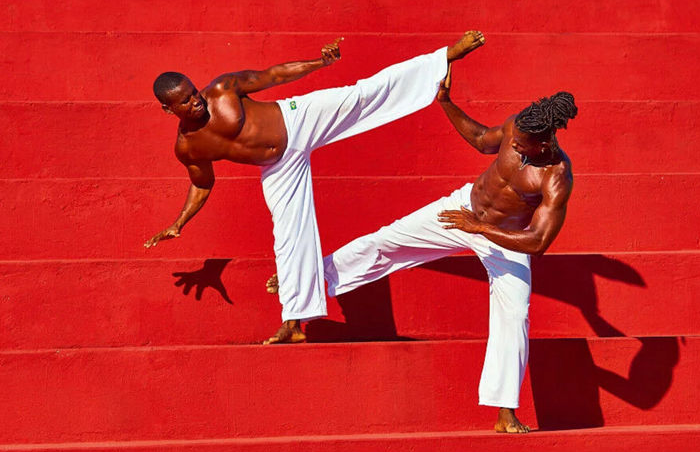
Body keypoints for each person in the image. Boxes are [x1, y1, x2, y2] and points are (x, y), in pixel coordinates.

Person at [270, 71, 577, 433]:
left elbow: (539, 242)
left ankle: (504, 412)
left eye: (524, 147)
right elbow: (481, 139)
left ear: (544, 143)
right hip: (464, 208)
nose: (517, 149)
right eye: (517, 143)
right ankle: (305, 279)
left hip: (505, 238)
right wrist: (446, 102)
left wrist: (480, 229)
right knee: (387, 241)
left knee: (515, 316)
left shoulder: (556, 176)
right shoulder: (517, 127)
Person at [144, 31, 486, 344]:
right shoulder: (188, 148)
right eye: (186, 101)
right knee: (289, 237)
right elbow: (202, 184)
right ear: (167, 109)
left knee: (361, 96)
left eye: (193, 92)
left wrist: (319, 63)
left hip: (296, 119)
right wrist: (179, 222)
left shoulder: (221, 89)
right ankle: (294, 322)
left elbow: (273, 75)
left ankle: (441, 61)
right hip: (278, 166)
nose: (196, 101)